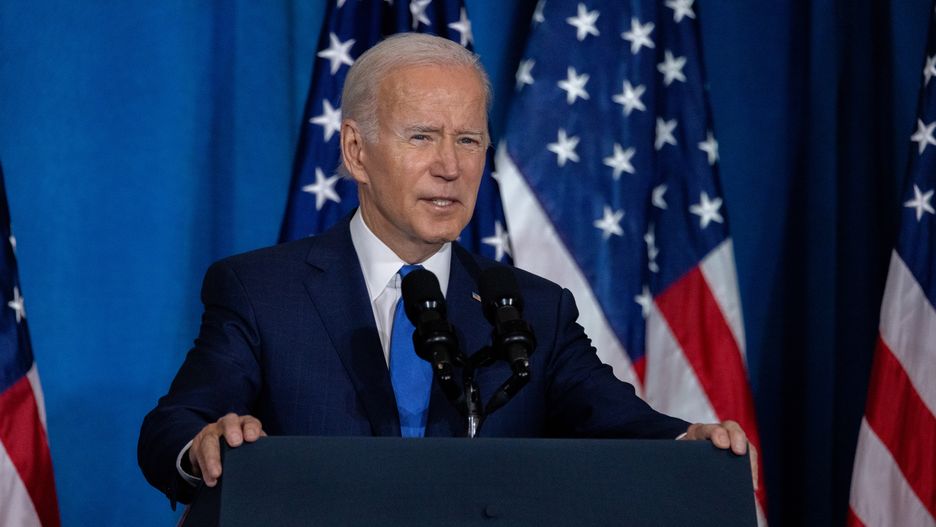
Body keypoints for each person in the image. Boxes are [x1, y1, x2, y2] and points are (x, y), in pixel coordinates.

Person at [138, 33, 752, 507]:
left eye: (468, 140)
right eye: (422, 137)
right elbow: (174, 427)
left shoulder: (533, 307)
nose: (449, 167)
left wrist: (688, 447)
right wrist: (203, 446)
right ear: (357, 151)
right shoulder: (262, 291)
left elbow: (620, 420)